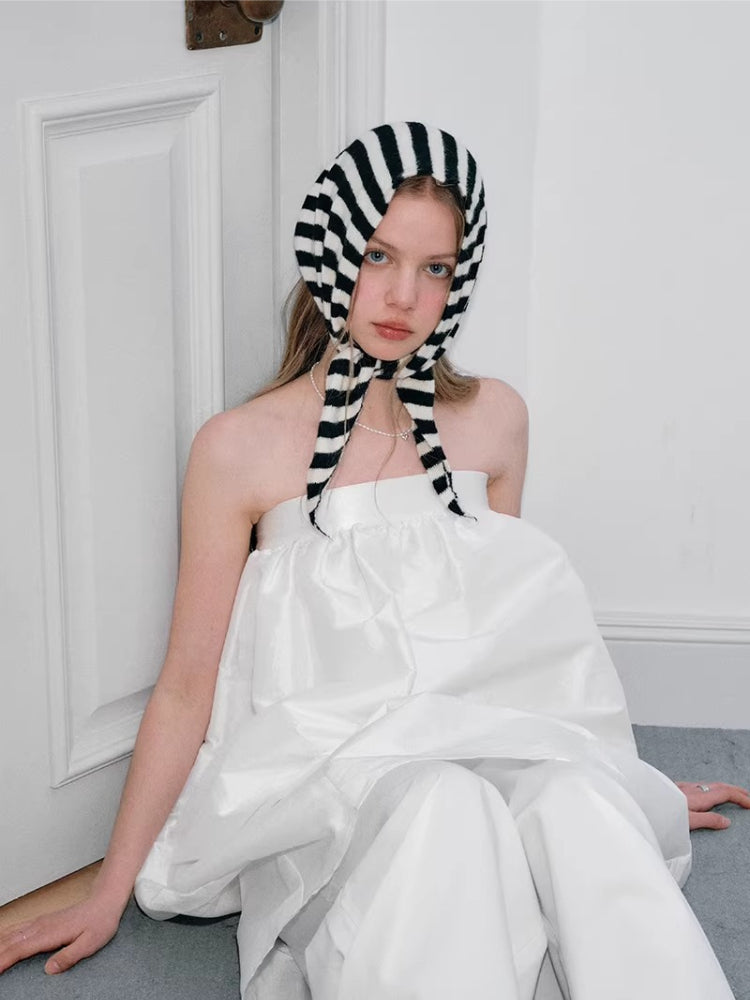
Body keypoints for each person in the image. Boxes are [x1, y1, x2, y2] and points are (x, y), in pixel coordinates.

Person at [1, 121, 748, 999]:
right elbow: (186, 686)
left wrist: (619, 777)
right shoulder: (240, 447)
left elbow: (513, 645)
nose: (402, 296)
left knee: (580, 807)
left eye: (435, 269)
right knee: (442, 808)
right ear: (330, 254)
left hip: (483, 744)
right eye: (377, 257)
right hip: (338, 784)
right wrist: (106, 889)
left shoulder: (495, 420)